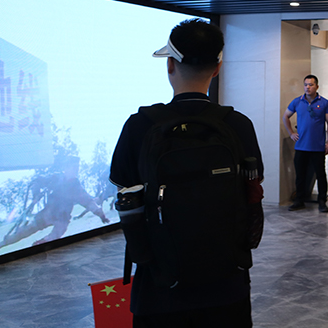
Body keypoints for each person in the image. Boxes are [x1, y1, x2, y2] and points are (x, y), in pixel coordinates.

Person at [110, 19, 263, 328]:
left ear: (170, 64)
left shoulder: (140, 126)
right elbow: (251, 187)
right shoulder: (238, 125)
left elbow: (126, 193)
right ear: (217, 68)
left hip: (159, 286)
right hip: (227, 283)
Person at [0, 155, 109, 258]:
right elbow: (37, 181)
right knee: (22, 232)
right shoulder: (55, 178)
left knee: (57, 233)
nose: (76, 170)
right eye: (73, 167)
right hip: (47, 214)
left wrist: (101, 214)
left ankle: (40, 245)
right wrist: (36, 194)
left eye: (77, 167)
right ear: (66, 168)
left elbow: (88, 202)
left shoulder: (76, 187)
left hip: (62, 218)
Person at [282, 74, 328, 213]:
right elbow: (286, 116)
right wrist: (291, 133)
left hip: (318, 146)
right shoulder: (297, 102)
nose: (308, 87)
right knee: (300, 175)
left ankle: (322, 201)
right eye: (306, 85)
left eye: (311, 85)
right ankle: (299, 200)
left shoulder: (324, 103)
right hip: (301, 146)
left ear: (317, 86)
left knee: (320, 174)